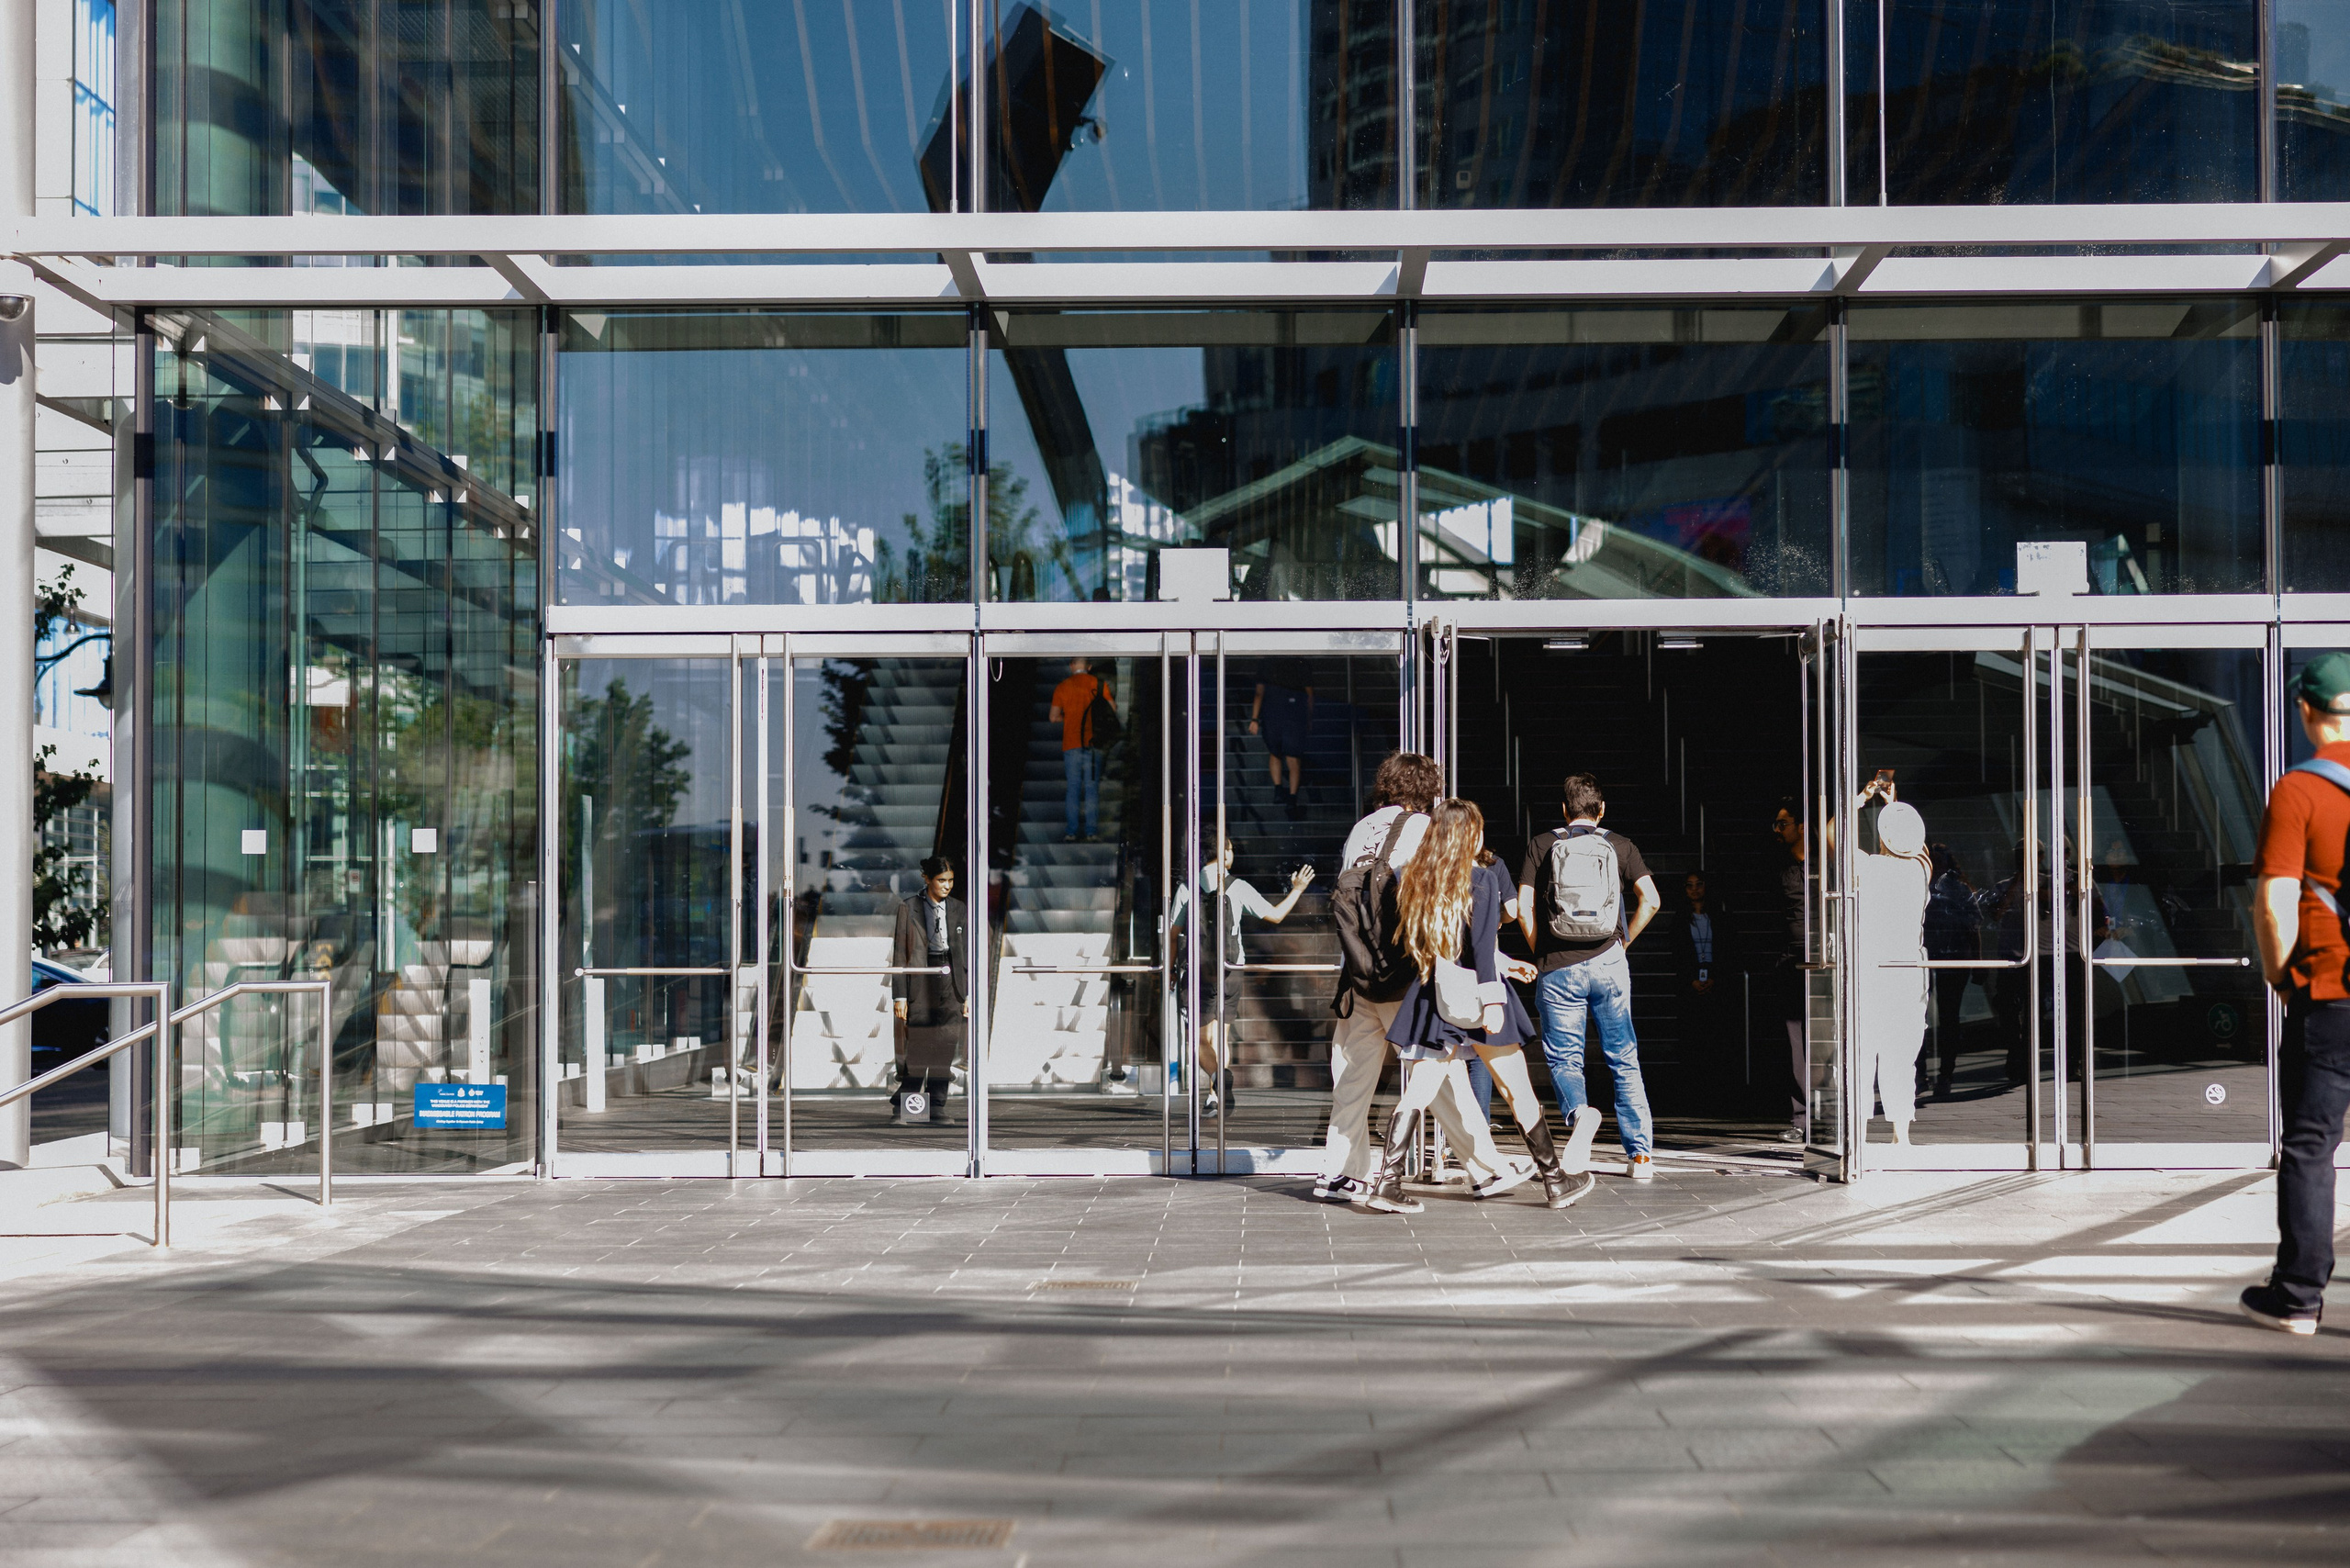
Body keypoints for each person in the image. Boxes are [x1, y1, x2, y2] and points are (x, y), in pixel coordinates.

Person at [1315, 751, 1572, 1204]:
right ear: (1427, 790)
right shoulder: (1420, 829)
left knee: (1352, 1077)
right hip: (1407, 972)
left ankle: (1342, 1171)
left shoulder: (1361, 829)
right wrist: (1491, 960)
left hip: (1357, 974)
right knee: (1439, 1069)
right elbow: (1446, 901)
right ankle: (1485, 1169)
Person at [1363, 799, 1597, 1215]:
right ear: (1470, 834)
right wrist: (1493, 999)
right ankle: (1556, 1180)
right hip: (1479, 994)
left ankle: (1388, 1181)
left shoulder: (1410, 879)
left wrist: (1501, 965)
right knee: (1516, 1089)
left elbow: (1447, 947)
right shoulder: (1483, 881)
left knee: (1419, 1089)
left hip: (1432, 996)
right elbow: (1481, 951)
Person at [2243, 653, 2350, 1335]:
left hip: (2331, 993)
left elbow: (2275, 902)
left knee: (2312, 1144)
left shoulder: (2300, 791)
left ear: (2307, 711)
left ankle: (2299, 1298)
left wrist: (2282, 977)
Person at [1522, 772, 1661, 1179]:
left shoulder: (1543, 844)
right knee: (1624, 1058)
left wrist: (1542, 952)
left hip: (1557, 966)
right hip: (1609, 963)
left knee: (1566, 1058)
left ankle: (1580, 1114)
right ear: (1602, 811)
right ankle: (1640, 1157)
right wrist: (1623, 942)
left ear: (1564, 810)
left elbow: (1525, 907)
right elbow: (1651, 899)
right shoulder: (1619, 845)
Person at [1169, 838, 1315, 1116]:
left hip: (1197, 973)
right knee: (1220, 1037)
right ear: (1223, 852)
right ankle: (1216, 1096)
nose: (1232, 854)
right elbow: (1275, 916)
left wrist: (1171, 970)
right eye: (1231, 848)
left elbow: (1174, 935)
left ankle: (1217, 1080)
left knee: (1198, 1041)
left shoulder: (1186, 887)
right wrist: (1298, 889)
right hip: (1230, 970)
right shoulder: (1238, 886)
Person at [1852, 787, 1931, 1146]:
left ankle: (1860, 1133)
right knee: (1902, 1056)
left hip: (1873, 972)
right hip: (1908, 976)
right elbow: (1920, 850)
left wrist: (1859, 802)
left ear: (1881, 839)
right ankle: (1902, 1133)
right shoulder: (1919, 873)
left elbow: (1831, 839)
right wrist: (1896, 807)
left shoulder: (1868, 867)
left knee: (1864, 1052)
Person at [889, 857, 968, 1126]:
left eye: (950, 881)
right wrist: (899, 995)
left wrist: (968, 994)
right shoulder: (909, 907)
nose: (947, 886)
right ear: (927, 879)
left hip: (952, 977)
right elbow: (900, 951)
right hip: (921, 976)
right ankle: (908, 1106)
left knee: (946, 1043)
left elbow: (968, 951)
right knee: (921, 1042)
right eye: (941, 881)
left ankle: (936, 1105)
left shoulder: (959, 908)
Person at [1771, 797, 1817, 1143]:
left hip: (1823, 957)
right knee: (1794, 1040)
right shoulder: (1779, 866)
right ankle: (1801, 1117)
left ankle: (1829, 1115)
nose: (1777, 829)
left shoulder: (1824, 864)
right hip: (1791, 958)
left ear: (1802, 826)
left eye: (1783, 823)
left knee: (1825, 1039)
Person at [1671, 871, 1740, 1096]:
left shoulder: (1718, 916)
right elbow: (1677, 952)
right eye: (1689, 885)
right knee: (1692, 1033)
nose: (1694, 889)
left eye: (1699, 884)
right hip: (1690, 980)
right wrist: (1690, 979)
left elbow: (1728, 949)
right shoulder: (1680, 918)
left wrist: (1715, 977)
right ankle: (1693, 1084)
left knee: (1717, 1032)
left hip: (1714, 976)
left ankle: (1717, 1082)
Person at [1921, 843, 1978, 1100]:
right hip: (1927, 958)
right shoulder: (1922, 887)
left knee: (1947, 1018)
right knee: (1922, 1017)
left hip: (1952, 958)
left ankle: (1944, 1074)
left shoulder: (1958, 889)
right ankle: (1923, 1074)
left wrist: (1976, 962)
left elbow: (1973, 928)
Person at [1048, 657, 1112, 843]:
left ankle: (1071, 832)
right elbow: (1112, 709)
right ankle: (1092, 832)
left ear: (1071, 666)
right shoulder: (1098, 684)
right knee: (1092, 789)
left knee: (1073, 788)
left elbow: (1053, 717)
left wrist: (1068, 719)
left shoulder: (1063, 686)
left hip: (1071, 744)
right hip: (1094, 744)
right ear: (1089, 667)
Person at [1249, 657, 1315, 818]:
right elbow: (1309, 694)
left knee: (1275, 752)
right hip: (1294, 713)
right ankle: (1292, 796)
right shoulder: (1300, 663)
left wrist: (1254, 719)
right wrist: (1309, 718)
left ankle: (1278, 789)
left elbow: (1259, 692)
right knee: (1293, 758)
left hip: (1272, 713)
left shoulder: (1266, 663)